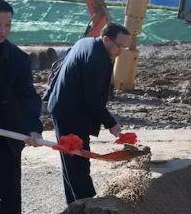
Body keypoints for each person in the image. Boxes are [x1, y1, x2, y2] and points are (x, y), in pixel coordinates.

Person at [47, 23, 131, 204]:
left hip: (66, 106)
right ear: (106, 39)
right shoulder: (96, 59)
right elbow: (92, 100)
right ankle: (86, 205)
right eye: (120, 46)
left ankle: (75, 204)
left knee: (72, 158)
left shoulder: (87, 42)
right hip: (69, 112)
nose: (122, 51)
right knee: (77, 159)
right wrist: (112, 124)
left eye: (125, 46)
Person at [0, 0, 42, 214]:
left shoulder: (18, 59)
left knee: (9, 195)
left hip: (7, 138)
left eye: (7, 25)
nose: (2, 30)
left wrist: (33, 128)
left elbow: (28, 97)